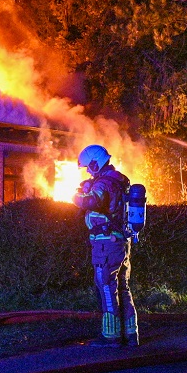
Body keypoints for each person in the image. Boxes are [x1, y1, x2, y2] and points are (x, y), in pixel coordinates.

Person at [73, 145, 138, 347]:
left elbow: (91, 201)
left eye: (88, 167)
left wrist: (77, 195)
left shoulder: (103, 183)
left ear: (95, 163)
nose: (88, 171)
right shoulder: (118, 180)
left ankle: (110, 337)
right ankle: (131, 334)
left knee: (106, 286)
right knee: (123, 287)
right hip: (120, 242)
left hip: (105, 244)